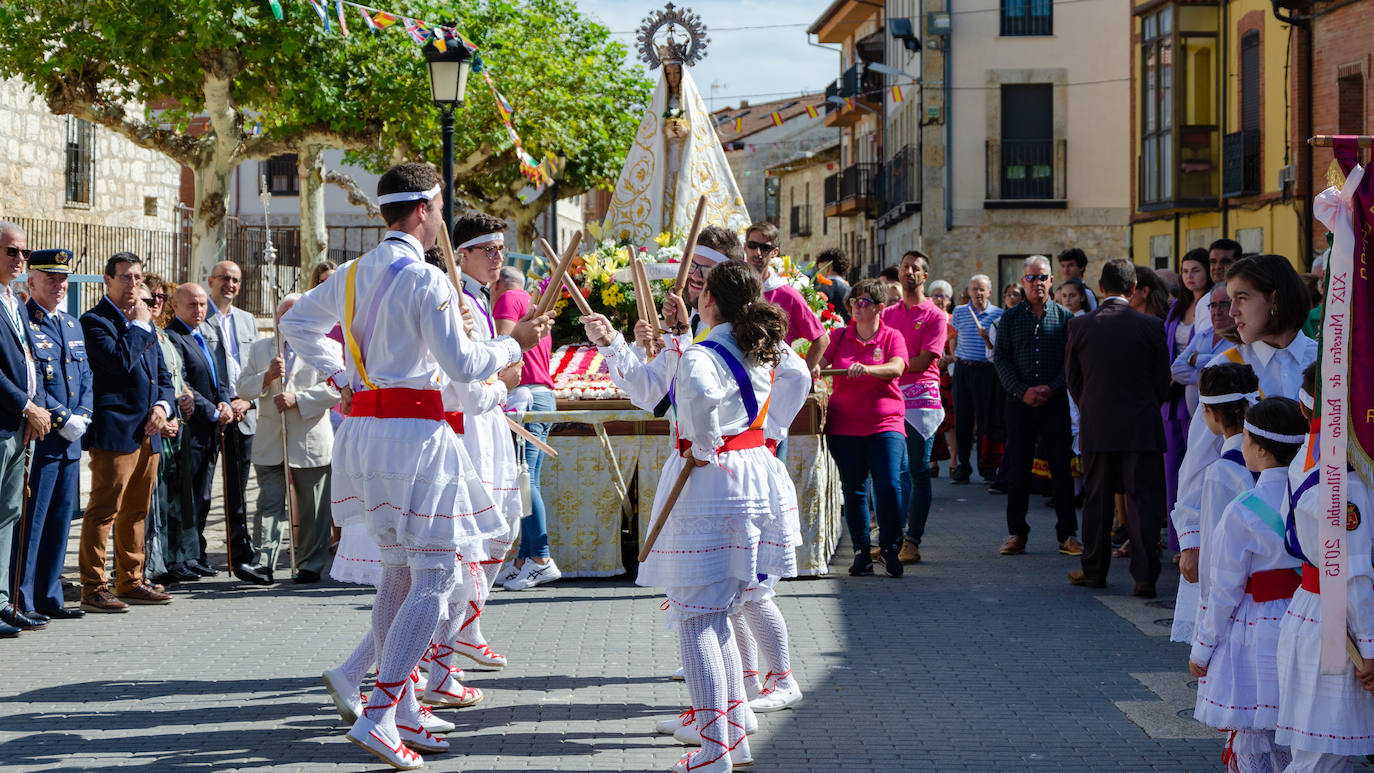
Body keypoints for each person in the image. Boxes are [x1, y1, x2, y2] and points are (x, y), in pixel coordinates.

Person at [280, 162, 551, 768]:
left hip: (367, 432)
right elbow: (465, 365)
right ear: (425, 210)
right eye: (438, 211)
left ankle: (396, 707)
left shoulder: (351, 273)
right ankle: (379, 713)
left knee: (400, 572)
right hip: (413, 436)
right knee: (435, 576)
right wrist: (517, 343)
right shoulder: (425, 281)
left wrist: (344, 373)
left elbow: (296, 322)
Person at [634, 260, 808, 773]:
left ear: (709, 299)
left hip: (714, 477)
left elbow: (700, 402)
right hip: (755, 471)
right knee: (723, 610)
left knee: (698, 617)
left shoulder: (702, 354)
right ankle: (732, 741)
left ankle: (714, 751)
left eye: (701, 289)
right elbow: (797, 375)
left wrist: (706, 443)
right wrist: (770, 428)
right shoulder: (763, 346)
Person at [1188, 397, 1305, 772]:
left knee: (1254, 731)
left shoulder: (1242, 509)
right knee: (1296, 732)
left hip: (1254, 630)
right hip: (1303, 619)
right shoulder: (1315, 499)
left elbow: (1223, 590)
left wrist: (1202, 648)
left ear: (1258, 448)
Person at [1277, 368, 1374, 772]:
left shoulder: (1309, 453)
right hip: (1339, 626)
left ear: (1305, 407)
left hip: (1313, 613)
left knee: (1319, 755)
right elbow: (1350, 572)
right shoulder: (1344, 476)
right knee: (1322, 760)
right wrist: (1368, 647)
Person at [1066, 258, 1170, 596]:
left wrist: (1091, 406)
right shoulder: (1151, 327)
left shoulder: (1080, 327)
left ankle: (1093, 570)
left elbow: (1073, 380)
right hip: (1141, 424)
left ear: (1100, 288)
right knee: (1144, 501)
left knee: (1097, 500)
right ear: (1134, 289)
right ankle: (1145, 578)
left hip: (1098, 423)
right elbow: (1161, 382)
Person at [78, 252, 175, 612]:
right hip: (115, 431)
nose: (133, 284)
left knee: (137, 511)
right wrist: (137, 326)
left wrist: (163, 408)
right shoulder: (94, 322)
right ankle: (93, 586)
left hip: (149, 431)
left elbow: (162, 377)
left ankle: (130, 580)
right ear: (107, 280)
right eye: (125, 277)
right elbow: (119, 363)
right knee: (104, 509)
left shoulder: (144, 321)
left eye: (137, 277)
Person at [9, 248, 90, 625]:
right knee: (33, 522)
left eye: (63, 279)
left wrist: (83, 416)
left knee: (60, 522)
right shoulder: (26, 322)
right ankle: (22, 598)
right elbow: (34, 381)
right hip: (43, 436)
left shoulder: (72, 325)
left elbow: (86, 377)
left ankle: (50, 595)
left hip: (72, 439)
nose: (59, 286)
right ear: (33, 282)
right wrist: (61, 417)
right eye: (51, 279)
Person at [237, 293, 340, 584]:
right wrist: (267, 377)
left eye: (295, 314)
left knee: (313, 508)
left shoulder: (326, 347)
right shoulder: (260, 349)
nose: (288, 321)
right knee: (269, 504)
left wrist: (299, 398)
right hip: (272, 440)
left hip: (310, 441)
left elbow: (337, 387)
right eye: (284, 315)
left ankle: (309, 563)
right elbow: (243, 388)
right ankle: (264, 563)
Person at [817, 278, 909, 577]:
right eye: (853, 301)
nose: (856, 306)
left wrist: (867, 369)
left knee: (889, 486)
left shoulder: (892, 336)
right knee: (854, 490)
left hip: (885, 424)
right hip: (845, 426)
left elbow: (896, 367)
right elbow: (819, 360)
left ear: (880, 307)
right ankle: (861, 552)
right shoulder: (840, 335)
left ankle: (890, 547)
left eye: (863, 302)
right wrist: (816, 364)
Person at [993, 256, 1081, 557]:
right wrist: (1022, 390)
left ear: (1051, 281)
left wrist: (1052, 387)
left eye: (1042, 277)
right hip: (1019, 404)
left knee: (1061, 468)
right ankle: (1016, 532)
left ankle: (1067, 534)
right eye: (1031, 278)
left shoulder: (1065, 318)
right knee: (1019, 468)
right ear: (1023, 281)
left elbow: (1071, 362)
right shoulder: (1010, 317)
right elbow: (1001, 359)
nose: (1037, 283)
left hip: (1054, 403)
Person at [1170, 363, 1259, 646]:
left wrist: (1208, 624)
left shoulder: (1220, 473)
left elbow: (1214, 552)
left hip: (1233, 598)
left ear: (1211, 414)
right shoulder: (1273, 462)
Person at [164, 283, 246, 584]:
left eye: (202, 305)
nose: (199, 310)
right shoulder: (175, 337)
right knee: (188, 495)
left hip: (211, 429)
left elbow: (217, 377)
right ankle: (182, 556)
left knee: (203, 495)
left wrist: (224, 401)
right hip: (192, 427)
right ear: (176, 306)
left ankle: (195, 552)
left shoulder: (202, 336)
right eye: (192, 305)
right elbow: (184, 383)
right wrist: (212, 409)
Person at [492, 265, 561, 592]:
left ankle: (541, 559)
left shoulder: (507, 298)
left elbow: (504, 348)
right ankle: (524, 558)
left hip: (526, 396)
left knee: (524, 480)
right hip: (541, 395)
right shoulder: (532, 306)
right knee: (525, 478)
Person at [881, 251, 947, 565]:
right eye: (905, 266)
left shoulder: (934, 314)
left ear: (924, 276)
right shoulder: (889, 314)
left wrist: (891, 366)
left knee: (919, 470)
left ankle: (913, 540)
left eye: (916, 268)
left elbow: (924, 361)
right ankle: (891, 538)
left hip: (921, 400)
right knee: (893, 472)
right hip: (891, 397)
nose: (909, 271)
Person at [203, 259, 265, 585]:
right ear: (211, 281)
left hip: (242, 415)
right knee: (201, 490)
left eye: (236, 280)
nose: (230, 285)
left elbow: (255, 369)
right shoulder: (201, 318)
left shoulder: (248, 321)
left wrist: (248, 400)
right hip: (211, 416)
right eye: (225, 278)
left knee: (237, 491)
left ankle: (241, 553)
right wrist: (220, 404)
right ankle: (196, 552)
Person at [144, 276, 198, 585]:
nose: (157, 303)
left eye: (162, 298)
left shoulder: (163, 336)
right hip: (155, 427)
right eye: (151, 298)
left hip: (175, 424)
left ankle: (176, 557)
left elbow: (175, 378)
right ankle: (153, 562)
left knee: (176, 499)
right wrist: (163, 417)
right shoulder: (142, 335)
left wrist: (185, 398)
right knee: (154, 503)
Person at [1161, 249, 1214, 545]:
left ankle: (1197, 537)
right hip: (1171, 395)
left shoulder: (1214, 305)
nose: (1190, 276)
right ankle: (1176, 539)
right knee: (1172, 470)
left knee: (1197, 466)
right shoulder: (1176, 307)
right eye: (1185, 271)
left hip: (1196, 391)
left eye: (1196, 269)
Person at [742, 221, 829, 373]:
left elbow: (822, 339)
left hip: (773, 382)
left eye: (765, 248)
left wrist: (800, 375)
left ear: (775, 252)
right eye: (752, 245)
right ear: (745, 247)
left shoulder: (786, 294)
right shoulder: (734, 287)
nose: (757, 252)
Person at [949, 274, 1001, 483]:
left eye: (982, 289)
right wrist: (954, 358)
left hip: (986, 371)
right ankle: (963, 466)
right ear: (968, 291)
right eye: (974, 289)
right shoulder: (960, 312)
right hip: (963, 369)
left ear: (989, 292)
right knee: (962, 419)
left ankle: (986, 465)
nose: (978, 293)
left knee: (985, 420)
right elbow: (952, 337)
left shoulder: (998, 314)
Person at [814, 246, 851, 322]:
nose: (818, 273)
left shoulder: (818, 290)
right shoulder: (852, 291)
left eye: (820, 269)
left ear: (828, 268)